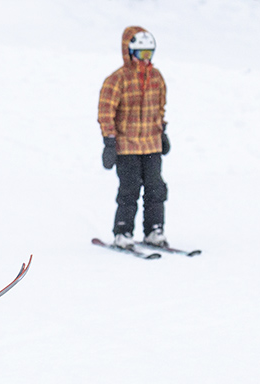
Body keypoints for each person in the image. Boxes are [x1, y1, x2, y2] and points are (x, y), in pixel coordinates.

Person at [98, 26, 172, 249]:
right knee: (129, 189)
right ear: (129, 52)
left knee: (156, 188)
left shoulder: (156, 77)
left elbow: (160, 107)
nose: (146, 59)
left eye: (150, 53)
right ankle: (123, 231)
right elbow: (105, 111)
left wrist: (163, 131)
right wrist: (109, 141)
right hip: (127, 146)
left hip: (151, 144)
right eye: (142, 54)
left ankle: (154, 230)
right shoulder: (117, 80)